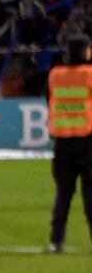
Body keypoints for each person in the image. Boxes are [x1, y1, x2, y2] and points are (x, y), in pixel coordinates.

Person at [46, 34, 92, 253]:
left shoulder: (55, 75)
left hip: (63, 142)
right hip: (87, 141)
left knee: (63, 194)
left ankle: (56, 241)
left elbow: (50, 99)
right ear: (84, 51)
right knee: (90, 194)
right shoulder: (89, 75)